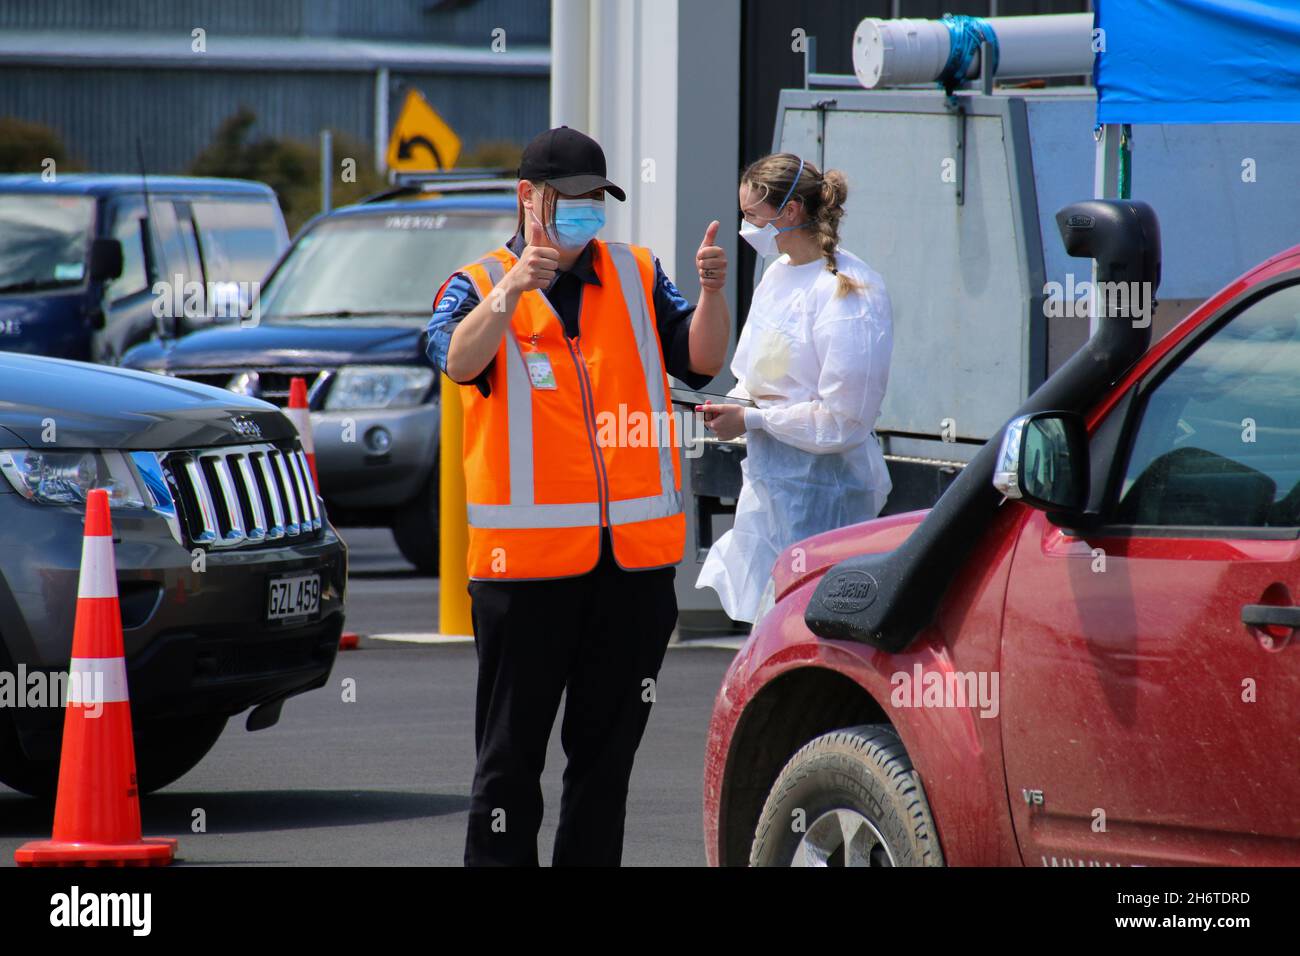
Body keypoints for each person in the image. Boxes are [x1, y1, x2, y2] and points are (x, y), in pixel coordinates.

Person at [425, 126, 731, 866]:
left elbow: (701, 360)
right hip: (524, 578)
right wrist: (511, 291)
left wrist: (716, 290)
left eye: (599, 199)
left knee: (604, 768)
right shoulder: (475, 283)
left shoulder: (637, 273)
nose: (589, 212)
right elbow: (455, 360)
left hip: (631, 574)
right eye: (574, 199)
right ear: (529, 198)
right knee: (509, 768)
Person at [695, 152, 893, 623]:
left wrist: (754, 418)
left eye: (752, 216)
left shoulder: (849, 291)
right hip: (770, 492)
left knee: (819, 632)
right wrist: (732, 408)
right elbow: (757, 375)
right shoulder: (778, 275)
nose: (746, 227)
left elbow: (844, 420)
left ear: (790, 212)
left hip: (829, 500)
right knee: (771, 632)